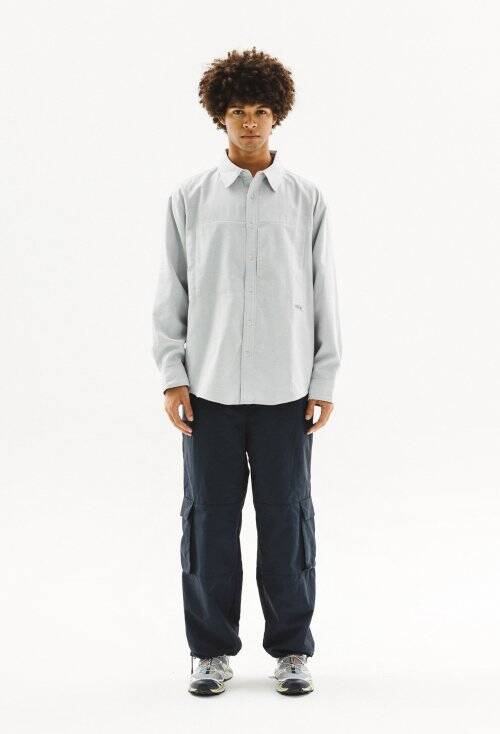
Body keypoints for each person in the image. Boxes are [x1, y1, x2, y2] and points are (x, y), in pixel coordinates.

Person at [151, 46, 342, 696]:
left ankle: (292, 649)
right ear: (220, 117)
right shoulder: (190, 197)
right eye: (239, 111)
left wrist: (324, 380)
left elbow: (323, 292)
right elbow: (171, 290)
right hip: (208, 393)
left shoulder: (306, 199)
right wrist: (172, 374)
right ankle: (210, 651)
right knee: (208, 521)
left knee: (288, 520)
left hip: (287, 391)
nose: (251, 122)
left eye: (261, 111)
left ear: (277, 115)